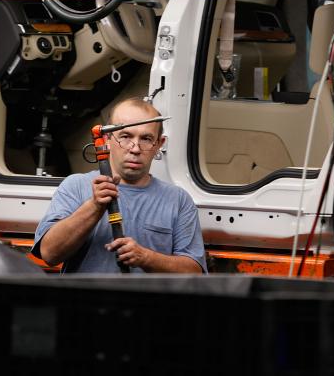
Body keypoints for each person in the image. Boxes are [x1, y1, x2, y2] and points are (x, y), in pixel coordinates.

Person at [32, 97, 206, 273]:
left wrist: (146, 258)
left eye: (146, 138)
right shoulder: (76, 186)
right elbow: (50, 254)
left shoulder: (178, 200)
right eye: (125, 136)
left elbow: (194, 273)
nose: (135, 148)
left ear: (159, 144)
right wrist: (94, 206)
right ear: (107, 138)